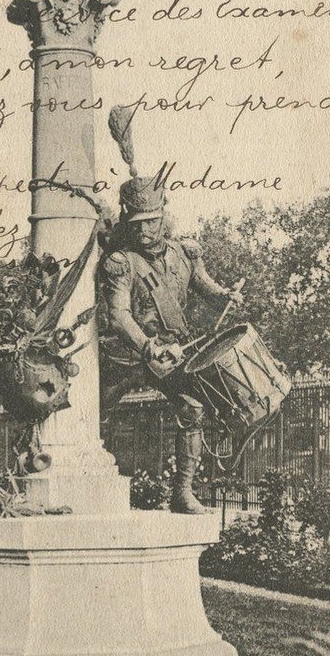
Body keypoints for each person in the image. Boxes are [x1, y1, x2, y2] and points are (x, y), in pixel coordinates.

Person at [100, 174, 243, 514]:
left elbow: (206, 288)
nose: (143, 230)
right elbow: (118, 316)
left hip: (171, 355)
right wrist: (147, 346)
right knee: (94, 414)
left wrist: (226, 295)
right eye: (135, 223)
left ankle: (182, 493)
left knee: (192, 408)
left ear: (163, 216)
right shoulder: (121, 263)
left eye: (150, 221)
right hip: (126, 356)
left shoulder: (185, 254)